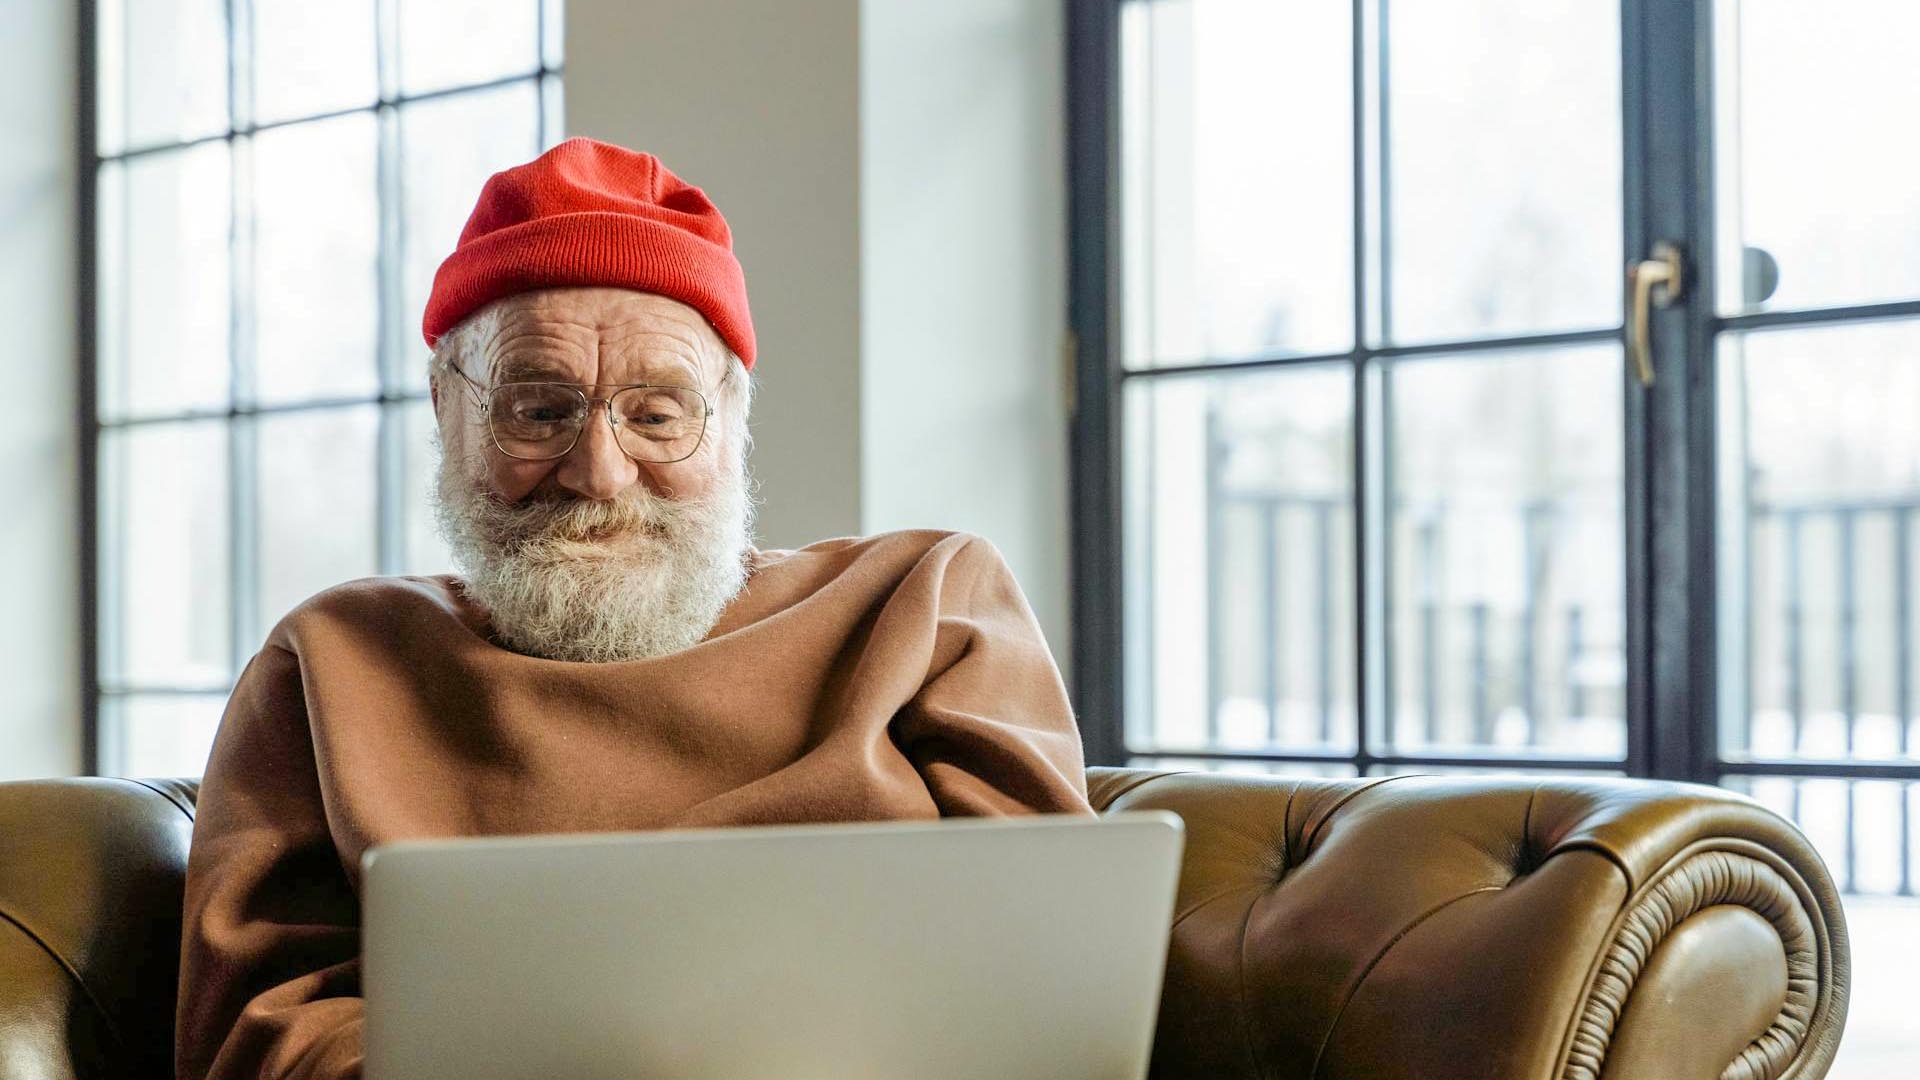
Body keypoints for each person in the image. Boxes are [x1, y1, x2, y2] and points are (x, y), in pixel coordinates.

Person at [175, 137, 1092, 1080]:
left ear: (734, 424)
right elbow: (259, 1034)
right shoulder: (333, 662)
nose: (600, 473)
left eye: (657, 414)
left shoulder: (928, 603)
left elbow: (1055, 985)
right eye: (538, 411)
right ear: (446, 413)